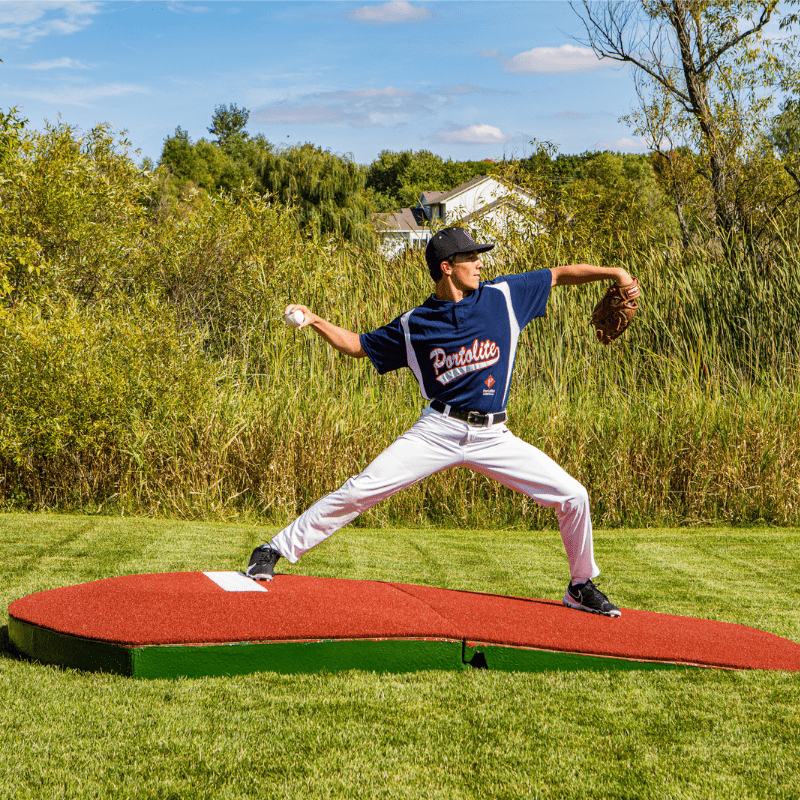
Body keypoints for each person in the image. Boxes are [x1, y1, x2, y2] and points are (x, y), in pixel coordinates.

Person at [247, 226, 639, 617]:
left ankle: (580, 584)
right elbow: (357, 346)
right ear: (447, 267)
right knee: (361, 490)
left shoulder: (503, 297)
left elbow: (558, 273)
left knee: (573, 496)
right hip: (437, 431)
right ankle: (274, 548)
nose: (480, 262)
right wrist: (315, 320)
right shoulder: (414, 324)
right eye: (471, 257)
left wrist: (616, 273)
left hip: (494, 436)